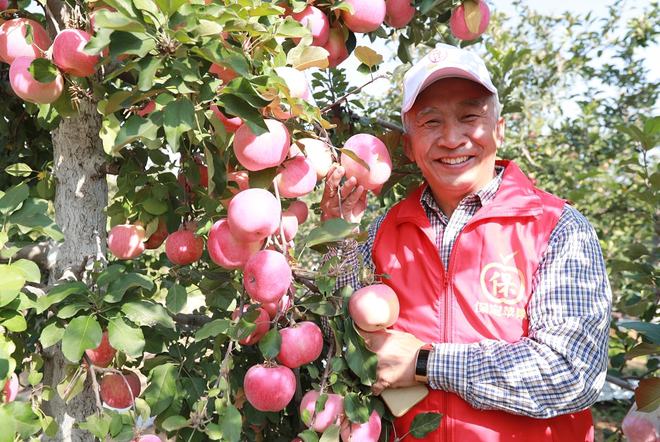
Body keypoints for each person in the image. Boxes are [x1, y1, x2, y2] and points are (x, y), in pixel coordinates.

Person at [320, 43, 611, 441]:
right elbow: (342, 333)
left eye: (470, 116)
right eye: (431, 122)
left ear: (499, 129)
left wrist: (426, 364)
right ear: (409, 145)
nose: (452, 139)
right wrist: (338, 235)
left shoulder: (557, 228)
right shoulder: (386, 230)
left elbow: (574, 372)